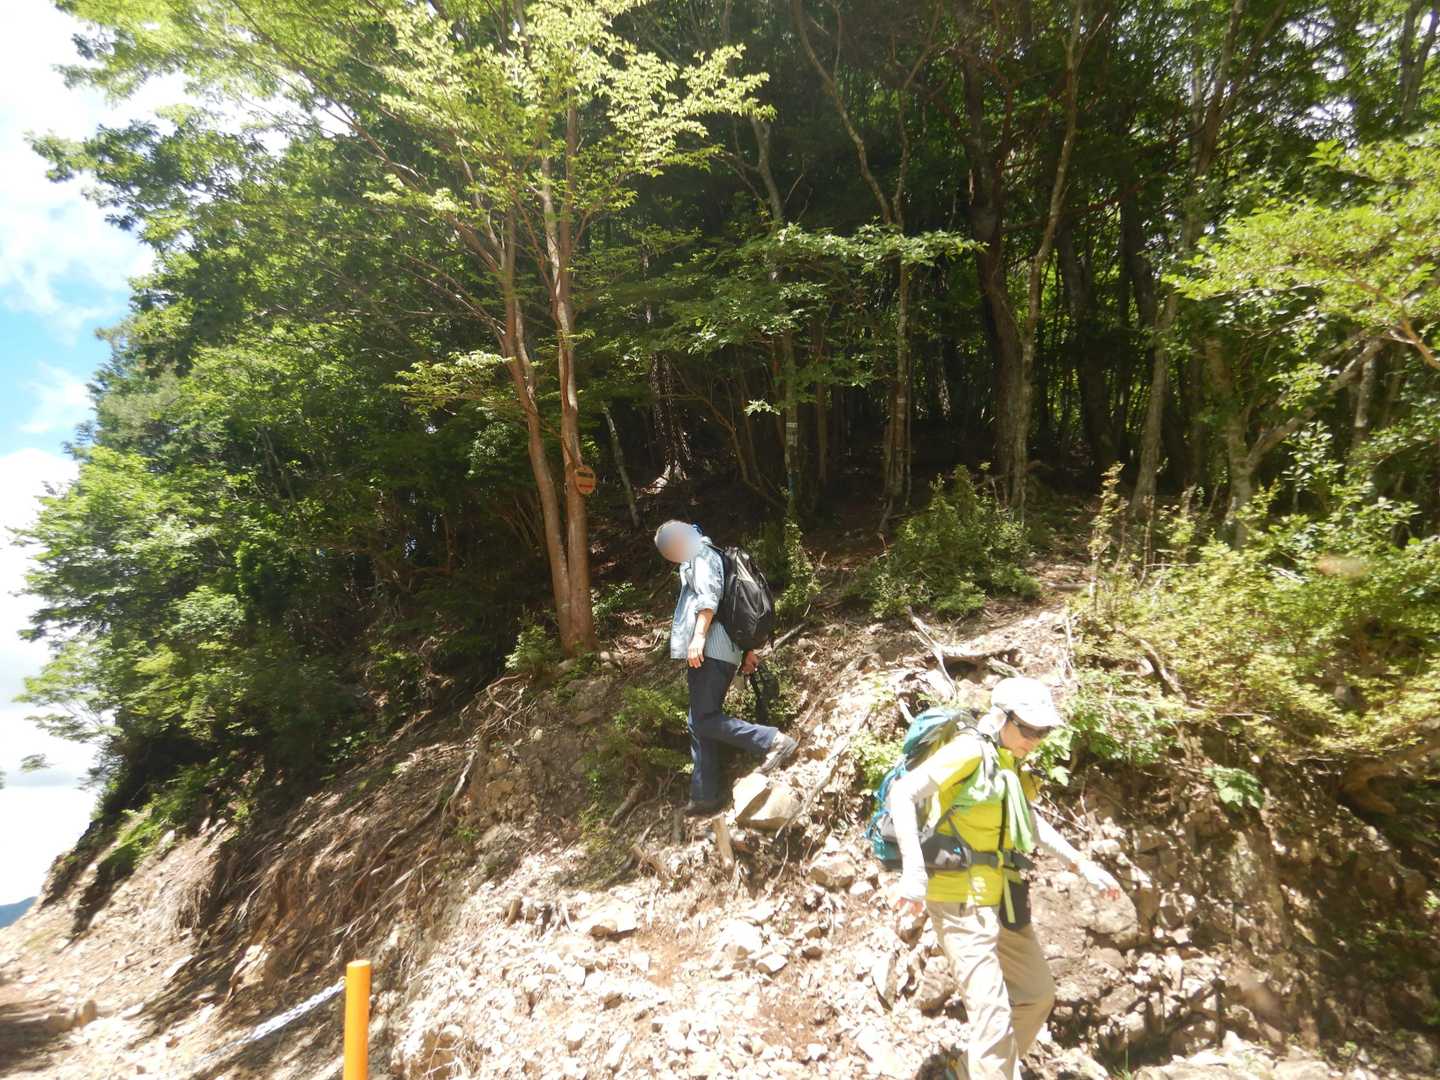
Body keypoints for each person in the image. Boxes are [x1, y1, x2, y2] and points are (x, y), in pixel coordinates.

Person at [887, 677, 1122, 1080]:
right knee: (993, 1019)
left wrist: (1082, 865)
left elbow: (1028, 820)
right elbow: (904, 793)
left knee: (1035, 994)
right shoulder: (969, 750)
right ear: (1002, 718)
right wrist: (914, 874)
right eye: (1029, 729)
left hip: (1000, 899)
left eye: (1043, 732)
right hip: (961, 902)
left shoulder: (1007, 758)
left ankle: (970, 1071)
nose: (1036, 739)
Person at [654, 520, 798, 815]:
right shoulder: (705, 555)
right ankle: (705, 795)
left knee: (704, 719)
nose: (670, 555)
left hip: (711, 649)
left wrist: (698, 637)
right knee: (698, 719)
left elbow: (710, 597)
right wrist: (745, 651)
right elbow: (729, 604)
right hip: (721, 649)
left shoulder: (701, 554)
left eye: (669, 548)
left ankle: (773, 740)